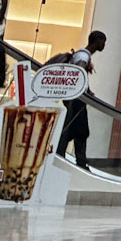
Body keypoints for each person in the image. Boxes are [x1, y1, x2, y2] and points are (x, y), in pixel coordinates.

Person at [50, 31, 106, 171]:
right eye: (103, 41)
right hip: (77, 100)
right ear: (98, 40)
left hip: (77, 98)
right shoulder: (83, 56)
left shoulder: (81, 55)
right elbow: (78, 73)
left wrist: (88, 90)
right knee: (80, 131)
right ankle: (78, 161)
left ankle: (63, 156)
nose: (104, 44)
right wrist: (81, 90)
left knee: (72, 130)